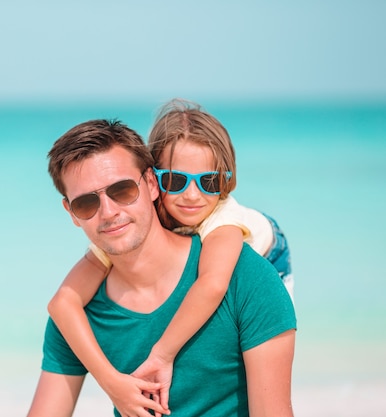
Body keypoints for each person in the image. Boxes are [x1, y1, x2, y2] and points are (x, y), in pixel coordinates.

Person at [27, 118, 296, 417]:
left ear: (152, 184)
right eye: (86, 203)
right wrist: (112, 382)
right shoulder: (80, 313)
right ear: (72, 213)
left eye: (122, 190)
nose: (109, 212)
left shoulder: (245, 277)